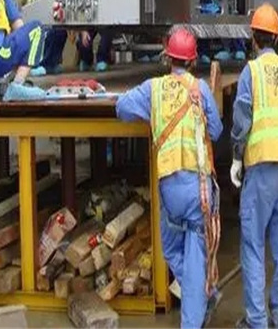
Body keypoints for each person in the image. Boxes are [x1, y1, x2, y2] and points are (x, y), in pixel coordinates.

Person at [115, 27, 223, 329]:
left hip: (170, 191)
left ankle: (203, 294)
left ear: (168, 58)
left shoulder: (154, 89)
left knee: (171, 249)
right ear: (192, 61)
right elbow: (215, 132)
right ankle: (199, 304)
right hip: (198, 189)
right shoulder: (199, 89)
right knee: (195, 256)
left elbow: (121, 108)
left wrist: (152, 113)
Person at [230, 3, 278, 329]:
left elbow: (242, 120)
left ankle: (257, 322)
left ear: (254, 38)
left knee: (253, 245)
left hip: (260, 167)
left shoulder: (252, 72)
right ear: (276, 37)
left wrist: (235, 156)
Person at [75, 0, 113, 72]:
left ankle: (102, 60)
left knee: (107, 33)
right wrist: (83, 30)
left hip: (102, 20)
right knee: (83, 40)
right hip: (88, 21)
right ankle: (86, 60)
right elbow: (78, 12)